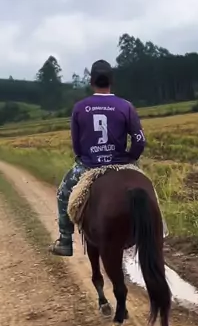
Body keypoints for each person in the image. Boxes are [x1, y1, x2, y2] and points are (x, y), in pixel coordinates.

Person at [51, 59, 146, 256]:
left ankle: (65, 240)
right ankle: (157, 232)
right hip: (120, 164)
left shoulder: (79, 108)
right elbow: (139, 141)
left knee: (63, 193)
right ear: (112, 80)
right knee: (147, 190)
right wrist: (130, 158)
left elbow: (77, 146)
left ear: (91, 81)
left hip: (89, 166)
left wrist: (88, 156)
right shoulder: (126, 106)